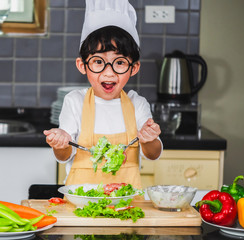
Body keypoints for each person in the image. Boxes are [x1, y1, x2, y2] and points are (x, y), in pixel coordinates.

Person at [43, 0, 162, 189]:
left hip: (126, 205)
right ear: (82, 66)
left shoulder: (137, 104)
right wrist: (60, 143)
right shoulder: (75, 101)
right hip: (81, 203)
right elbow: (64, 156)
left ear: (134, 67)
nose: (109, 72)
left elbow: (153, 154)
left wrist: (150, 139)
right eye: (98, 62)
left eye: (120, 62)